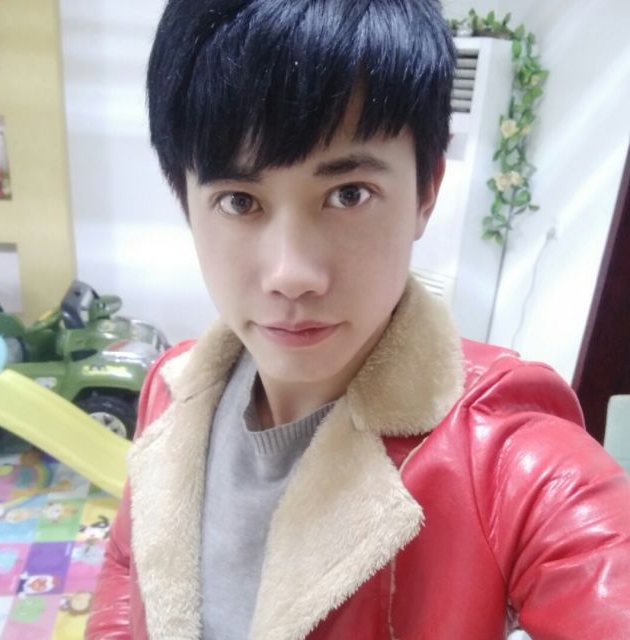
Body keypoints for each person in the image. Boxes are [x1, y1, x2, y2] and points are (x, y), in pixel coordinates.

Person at [86, 0, 630, 638]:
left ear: (426, 191)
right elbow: (128, 565)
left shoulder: (504, 454)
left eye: (348, 194)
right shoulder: (171, 389)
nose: (292, 273)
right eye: (239, 201)